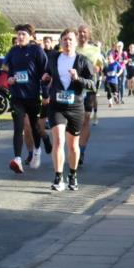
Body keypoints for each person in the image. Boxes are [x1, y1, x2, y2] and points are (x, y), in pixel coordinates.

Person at [41, 29, 96, 192]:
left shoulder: (83, 61)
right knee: (58, 140)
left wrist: (77, 78)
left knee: (73, 146)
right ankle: (58, 177)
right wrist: (46, 78)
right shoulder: (53, 58)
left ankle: (73, 175)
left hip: (75, 106)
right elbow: (48, 74)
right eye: (64, 39)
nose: (67, 42)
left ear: (76, 41)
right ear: (60, 42)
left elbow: (93, 84)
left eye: (71, 39)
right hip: (56, 105)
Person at [3, 24, 48, 174]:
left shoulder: (36, 50)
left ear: (30, 36)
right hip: (17, 96)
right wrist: (9, 78)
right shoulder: (13, 51)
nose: (20, 37)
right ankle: (17, 159)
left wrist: (46, 92)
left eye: (23, 34)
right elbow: (6, 67)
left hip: (33, 95)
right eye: (18, 34)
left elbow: (45, 71)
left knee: (35, 126)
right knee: (18, 128)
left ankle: (36, 151)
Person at [76, 25, 104, 166]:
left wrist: (96, 68)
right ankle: (74, 148)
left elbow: (99, 66)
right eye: (79, 32)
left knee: (85, 119)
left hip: (89, 89)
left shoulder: (95, 49)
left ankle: (81, 150)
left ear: (89, 34)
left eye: (84, 32)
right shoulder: (72, 48)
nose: (81, 34)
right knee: (74, 121)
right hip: (74, 89)